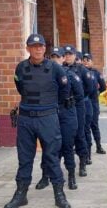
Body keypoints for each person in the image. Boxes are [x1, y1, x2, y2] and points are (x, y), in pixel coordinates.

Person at [5, 34, 71, 208]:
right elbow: (20, 88)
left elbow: (65, 91)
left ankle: (59, 195)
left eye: (41, 46)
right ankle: (21, 194)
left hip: (48, 118)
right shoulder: (20, 68)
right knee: (25, 158)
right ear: (28, 48)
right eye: (34, 46)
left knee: (52, 157)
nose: (38, 49)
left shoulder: (55, 68)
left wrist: (51, 107)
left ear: (45, 48)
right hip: (26, 118)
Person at [36, 47, 84, 191]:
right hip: (49, 114)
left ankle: (71, 176)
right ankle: (45, 176)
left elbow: (80, 96)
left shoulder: (70, 75)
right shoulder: (44, 75)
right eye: (53, 57)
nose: (55, 60)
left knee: (67, 146)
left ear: (63, 59)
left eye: (58, 57)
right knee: (47, 147)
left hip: (67, 113)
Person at [63, 45, 95, 177]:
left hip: (79, 106)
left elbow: (91, 88)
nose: (68, 56)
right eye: (66, 54)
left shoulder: (82, 70)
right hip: (65, 107)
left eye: (70, 54)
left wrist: (79, 99)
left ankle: (83, 162)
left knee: (80, 134)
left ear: (75, 56)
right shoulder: (60, 68)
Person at [82, 53, 107, 156]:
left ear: (92, 61)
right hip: (83, 102)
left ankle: (98, 146)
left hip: (93, 102)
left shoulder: (96, 73)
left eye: (88, 60)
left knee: (94, 125)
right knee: (84, 127)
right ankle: (85, 148)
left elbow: (103, 87)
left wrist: (96, 93)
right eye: (84, 60)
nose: (86, 62)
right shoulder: (79, 71)